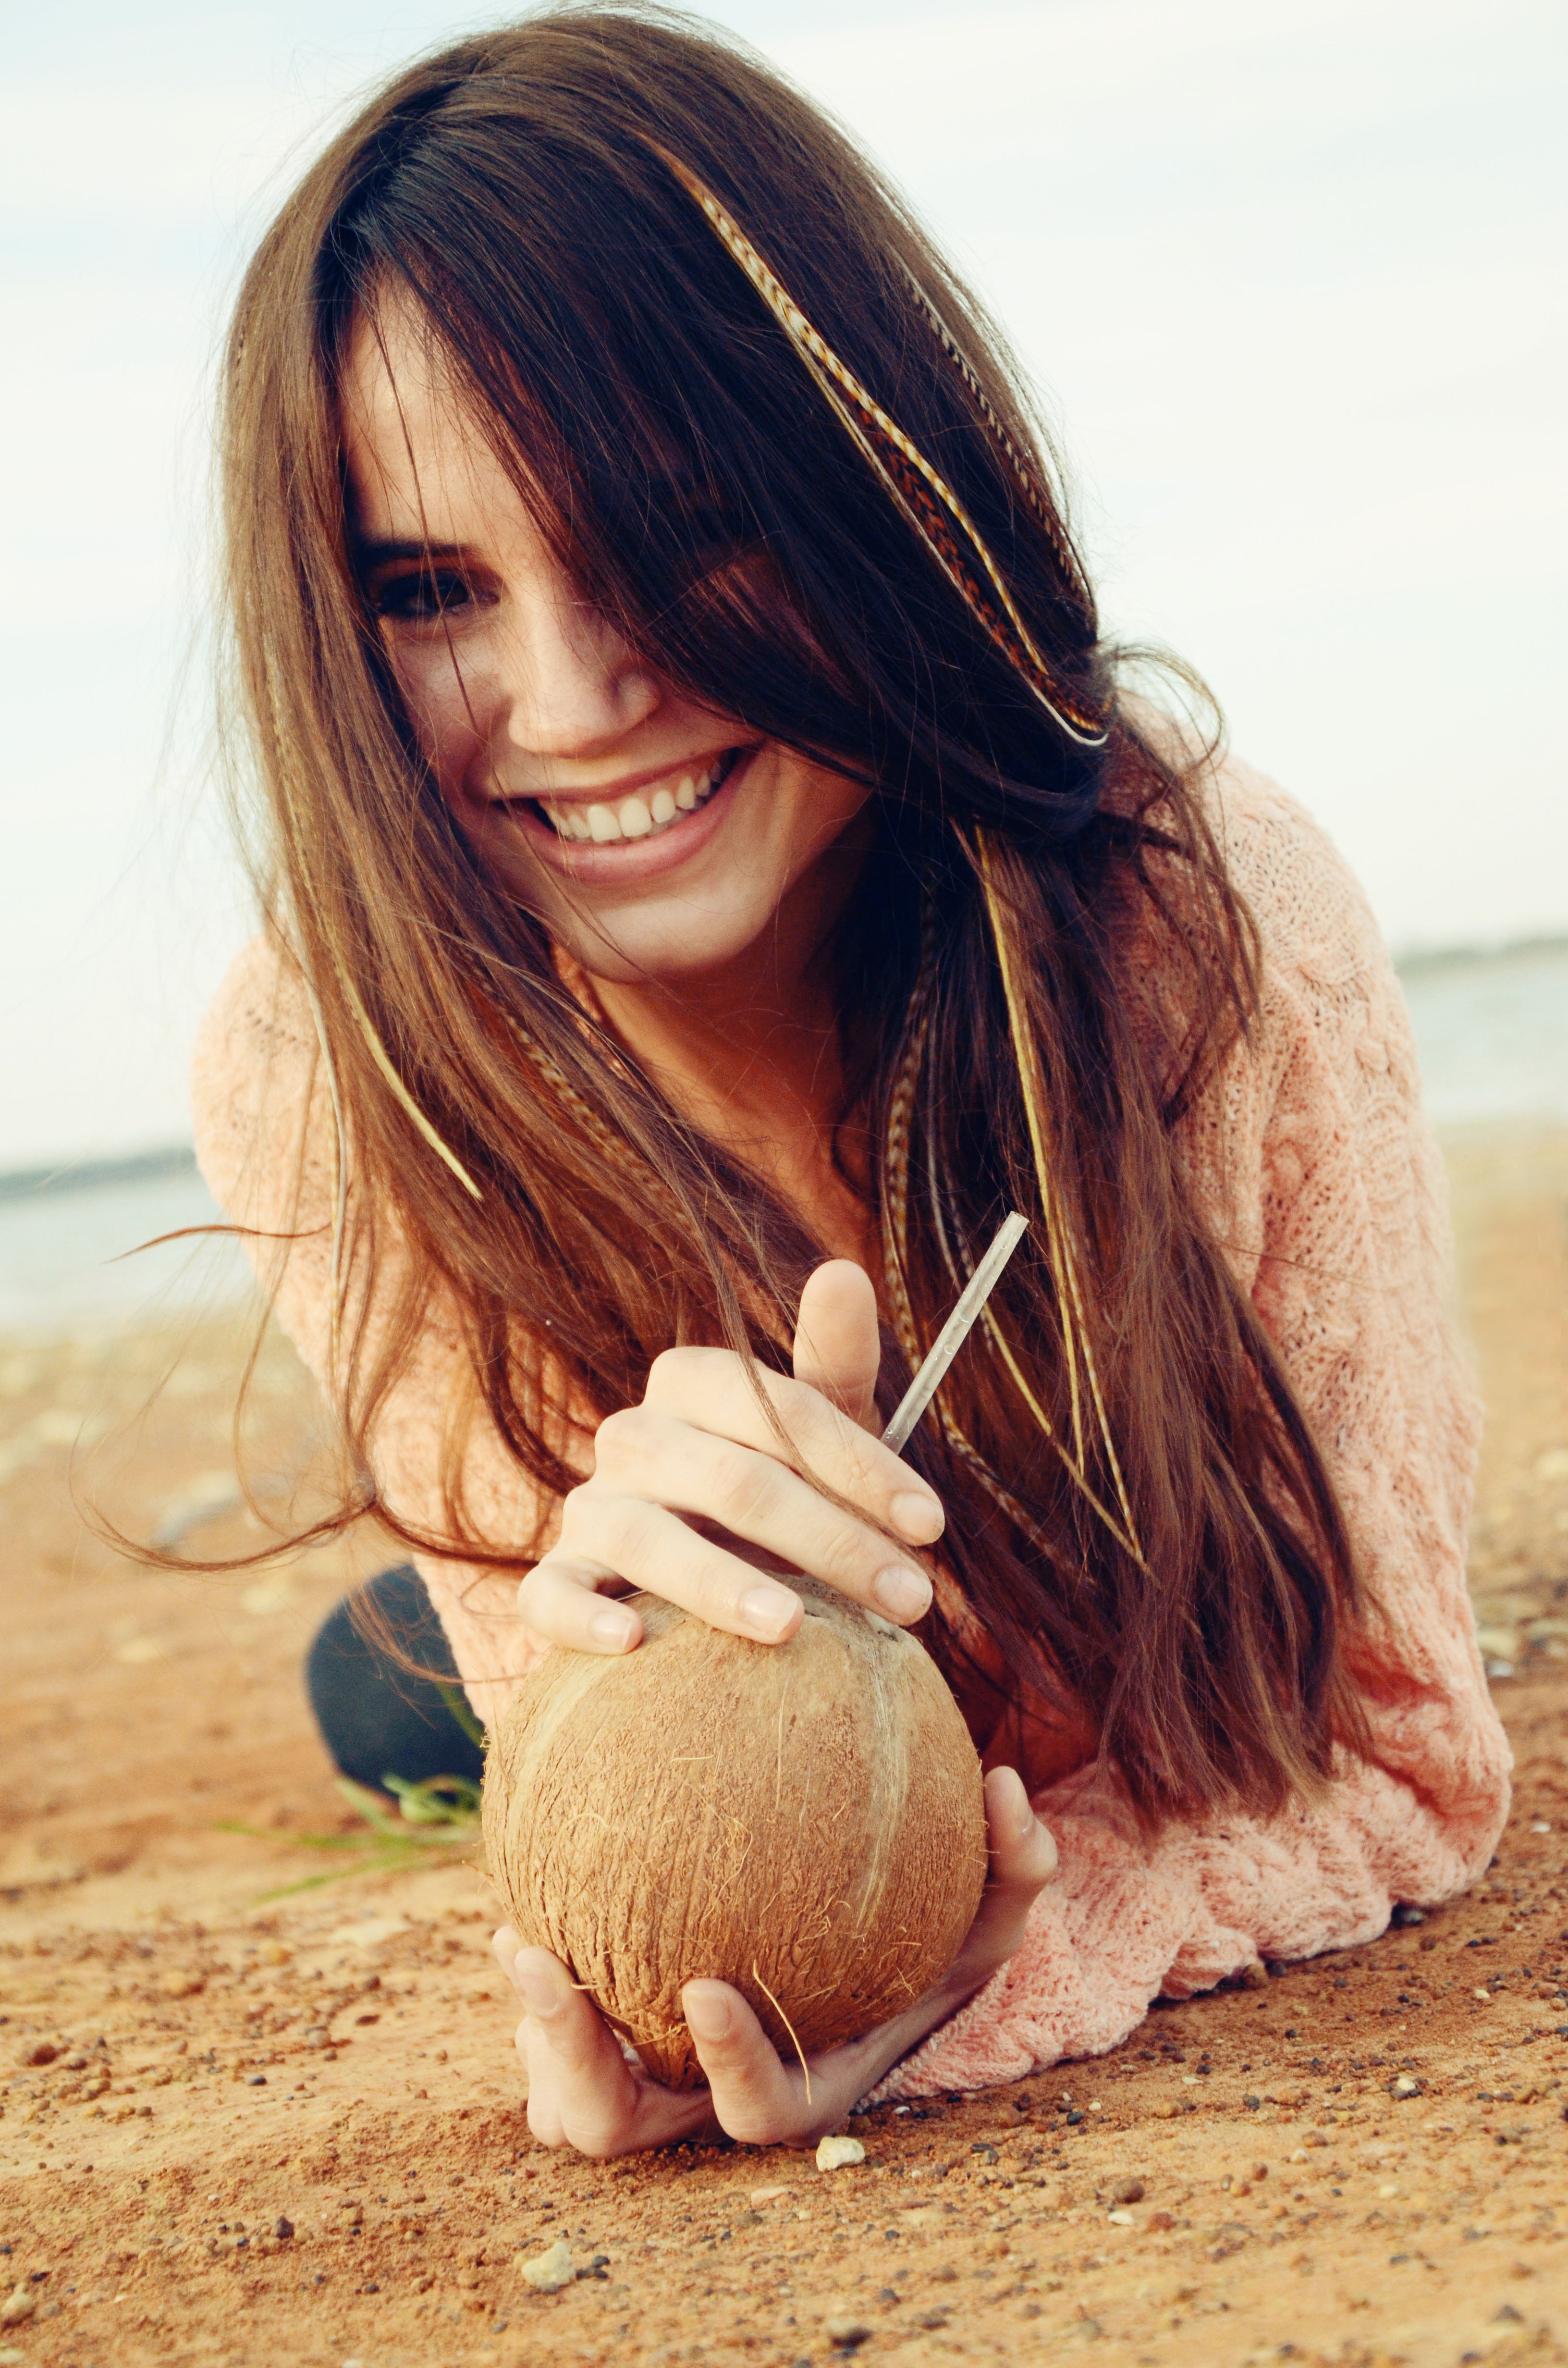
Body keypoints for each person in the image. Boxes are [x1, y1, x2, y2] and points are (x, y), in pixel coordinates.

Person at [191, 6, 1509, 2158]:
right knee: (399, 1694)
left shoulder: (1202, 908)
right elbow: (632, 1916)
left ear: (882, 488)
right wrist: (627, 1797)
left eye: (684, 536)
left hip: (1093, 1639)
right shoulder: (330, 1059)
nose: (576, 701)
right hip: (568, 1653)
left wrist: (986, 1980)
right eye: (433, 589)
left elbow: (1412, 1756)